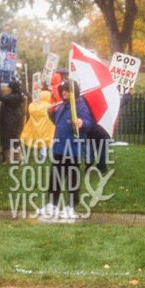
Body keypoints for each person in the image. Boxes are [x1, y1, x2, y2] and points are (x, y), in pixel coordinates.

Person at [43, 80, 94, 221]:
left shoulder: (80, 106)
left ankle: (71, 206)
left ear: (74, 91)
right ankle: (52, 204)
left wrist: (82, 123)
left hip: (73, 149)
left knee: (72, 179)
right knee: (56, 177)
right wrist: (50, 113)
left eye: (67, 90)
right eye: (62, 90)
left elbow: (88, 123)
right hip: (59, 148)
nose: (64, 92)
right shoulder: (62, 106)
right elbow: (58, 124)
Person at [0, 76, 25, 163]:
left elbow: (0, 97)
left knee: (11, 139)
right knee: (10, 138)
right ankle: (10, 158)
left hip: (10, 120)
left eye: (9, 87)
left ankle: (17, 158)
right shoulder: (17, 95)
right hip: (12, 119)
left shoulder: (13, 97)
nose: (7, 88)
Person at [20, 84, 55, 157]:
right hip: (49, 127)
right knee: (50, 138)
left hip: (38, 128)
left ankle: (42, 153)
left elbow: (30, 109)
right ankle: (51, 153)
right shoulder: (50, 105)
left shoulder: (35, 106)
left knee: (42, 140)